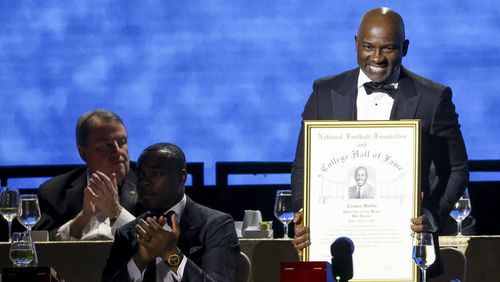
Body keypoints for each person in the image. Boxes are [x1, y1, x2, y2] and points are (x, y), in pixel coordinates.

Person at [291, 7, 468, 276]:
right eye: (367, 47)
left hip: (405, 252)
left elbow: (456, 168)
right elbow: (303, 165)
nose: (376, 57)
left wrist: (431, 217)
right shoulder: (324, 92)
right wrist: (306, 214)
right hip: (333, 248)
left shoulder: (433, 98)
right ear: (356, 44)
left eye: (388, 49)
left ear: (405, 47)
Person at [101, 142, 240, 282]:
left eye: (156, 173)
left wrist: (171, 254)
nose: (145, 182)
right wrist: (139, 261)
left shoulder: (216, 226)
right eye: (141, 176)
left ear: (182, 177)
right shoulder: (127, 233)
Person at [34, 109, 143, 240]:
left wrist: (116, 212)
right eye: (106, 145)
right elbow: (38, 244)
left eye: (122, 142)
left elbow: (157, 241)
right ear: (83, 153)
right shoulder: (55, 192)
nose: (117, 151)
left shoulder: (147, 182)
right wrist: (82, 219)